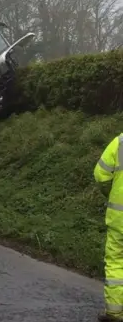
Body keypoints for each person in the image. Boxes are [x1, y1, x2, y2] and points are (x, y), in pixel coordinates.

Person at [94, 134, 123, 322]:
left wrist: (111, 194)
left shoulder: (120, 142)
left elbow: (101, 175)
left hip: (119, 219)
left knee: (116, 262)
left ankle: (114, 313)